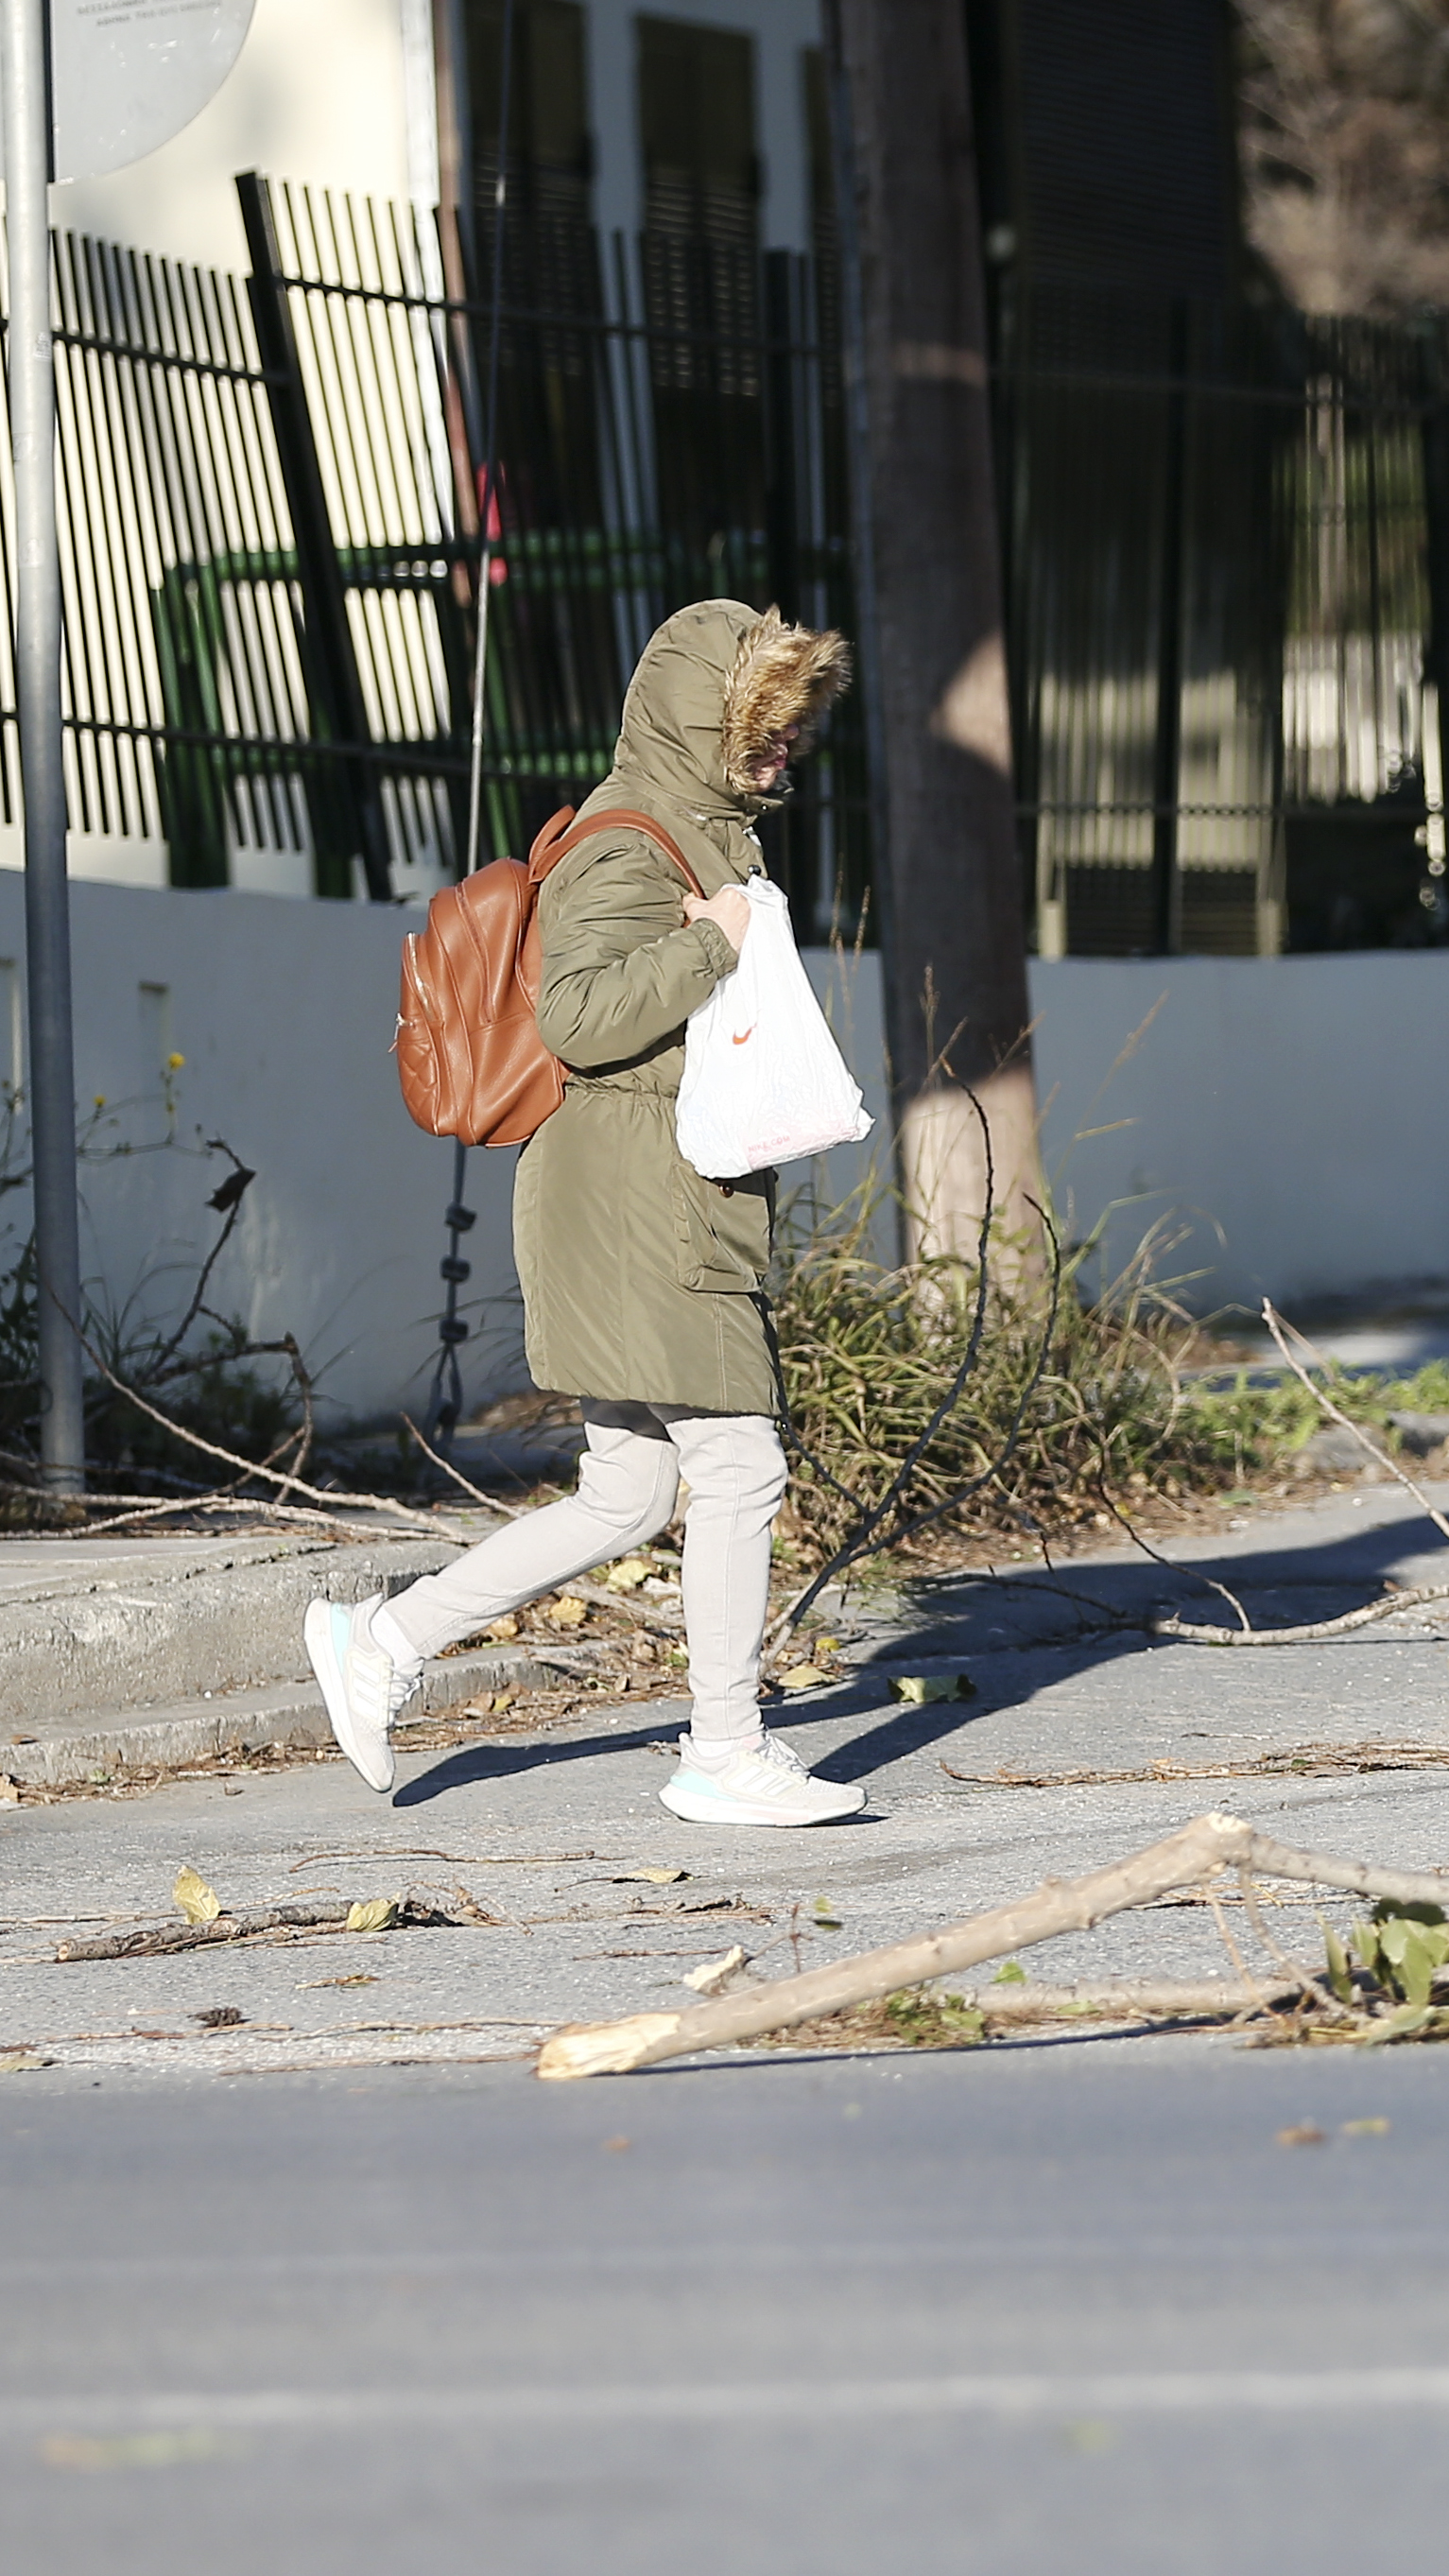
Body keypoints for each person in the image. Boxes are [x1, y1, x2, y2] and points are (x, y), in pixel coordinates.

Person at [305, 600, 857, 1826]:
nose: (782, 755)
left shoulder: (703, 830)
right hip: (633, 1205)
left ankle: (381, 1641)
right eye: (762, 731)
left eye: (791, 732)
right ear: (699, 720)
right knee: (737, 1458)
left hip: (654, 1197)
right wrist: (711, 949)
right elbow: (581, 1019)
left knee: (628, 1492)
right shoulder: (629, 840)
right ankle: (721, 1745)